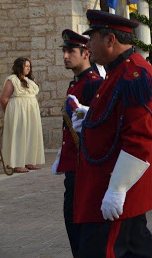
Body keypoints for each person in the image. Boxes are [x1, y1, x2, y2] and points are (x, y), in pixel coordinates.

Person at [72, 10, 152, 257]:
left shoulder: (133, 75)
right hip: (112, 182)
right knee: (138, 249)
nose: (88, 46)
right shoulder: (120, 71)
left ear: (109, 40)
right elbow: (117, 116)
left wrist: (117, 188)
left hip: (115, 186)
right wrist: (90, 119)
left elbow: (139, 138)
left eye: (91, 38)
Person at [51, 30, 103, 257]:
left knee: (84, 231)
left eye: (70, 51)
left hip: (85, 170)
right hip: (73, 168)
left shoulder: (93, 84)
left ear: (86, 53)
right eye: (64, 51)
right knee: (73, 227)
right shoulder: (76, 83)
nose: (65, 56)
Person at [0, 57, 45, 174]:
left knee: (31, 134)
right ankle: (16, 164)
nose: (29, 68)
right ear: (20, 67)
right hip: (18, 112)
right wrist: (9, 114)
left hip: (31, 112)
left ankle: (29, 161)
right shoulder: (12, 80)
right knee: (19, 136)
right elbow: (4, 99)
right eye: (26, 66)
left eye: (30, 66)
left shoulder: (29, 80)